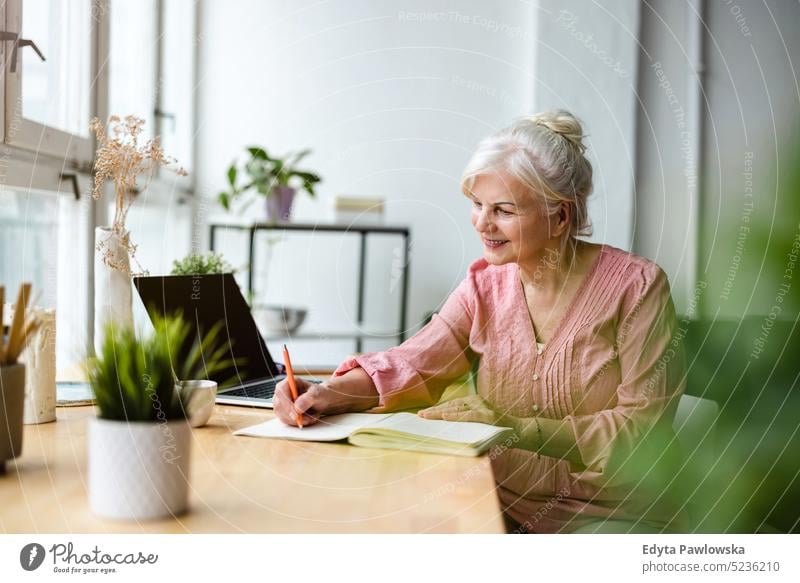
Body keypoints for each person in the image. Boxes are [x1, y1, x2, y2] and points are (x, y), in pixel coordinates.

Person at [273, 110, 688, 533]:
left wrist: (515, 429)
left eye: (503, 210)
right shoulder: (483, 286)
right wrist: (327, 394)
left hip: (611, 517)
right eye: (477, 205)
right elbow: (414, 363)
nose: (482, 224)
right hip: (493, 499)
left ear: (561, 217)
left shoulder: (638, 288)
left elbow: (643, 433)